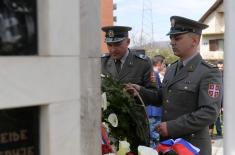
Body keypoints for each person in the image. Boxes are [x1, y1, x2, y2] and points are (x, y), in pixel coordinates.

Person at [125, 16, 222, 155]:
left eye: (177, 38)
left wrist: (171, 127)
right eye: (171, 38)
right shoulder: (172, 68)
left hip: (192, 146)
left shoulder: (208, 72)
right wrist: (140, 91)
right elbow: (161, 97)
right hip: (168, 145)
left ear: (194, 41)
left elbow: (209, 113)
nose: (172, 42)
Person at [101, 25, 155, 152]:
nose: (113, 49)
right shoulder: (101, 62)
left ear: (128, 42)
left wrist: (139, 92)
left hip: (135, 126)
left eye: (118, 44)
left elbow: (155, 95)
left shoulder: (142, 63)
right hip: (109, 127)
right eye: (110, 45)